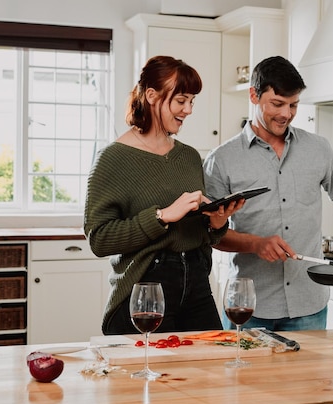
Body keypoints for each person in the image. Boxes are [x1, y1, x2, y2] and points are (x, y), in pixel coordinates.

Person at [203, 56, 333, 331]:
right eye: (277, 104)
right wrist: (256, 244)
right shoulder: (222, 159)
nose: (286, 114)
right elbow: (211, 234)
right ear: (254, 95)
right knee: (241, 376)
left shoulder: (318, 148)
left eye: (293, 105)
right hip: (249, 306)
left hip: (309, 306)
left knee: (308, 377)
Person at [84, 55, 243, 335]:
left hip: (197, 284)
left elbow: (202, 234)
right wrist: (161, 216)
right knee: (149, 376)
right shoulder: (113, 158)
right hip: (146, 288)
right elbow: (99, 238)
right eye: (181, 101)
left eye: (192, 101)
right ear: (152, 96)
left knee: (212, 369)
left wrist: (217, 222)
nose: (189, 110)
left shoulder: (189, 156)